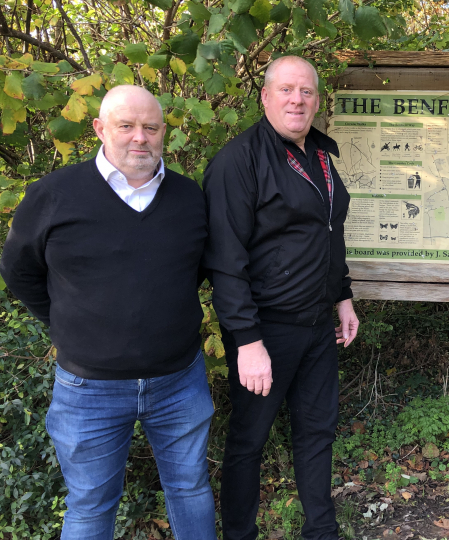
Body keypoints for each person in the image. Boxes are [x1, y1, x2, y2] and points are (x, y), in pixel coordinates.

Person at [0, 85, 215, 540]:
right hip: (88, 390)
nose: (140, 137)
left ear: (163, 133)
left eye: (151, 127)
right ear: (100, 129)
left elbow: (190, 271)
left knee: (190, 488)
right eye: (127, 125)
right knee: (91, 505)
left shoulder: (188, 197)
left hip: (179, 380)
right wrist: (68, 322)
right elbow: (19, 271)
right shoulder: (54, 194)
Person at [202, 55, 359, 540]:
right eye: (287, 90)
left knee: (317, 432)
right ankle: (240, 535)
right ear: (265, 97)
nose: (297, 99)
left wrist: (344, 296)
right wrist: (247, 341)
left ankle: (321, 531)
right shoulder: (238, 160)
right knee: (249, 441)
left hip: (317, 326)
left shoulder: (319, 154)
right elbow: (225, 260)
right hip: (265, 331)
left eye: (307, 91)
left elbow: (328, 233)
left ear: (317, 100)